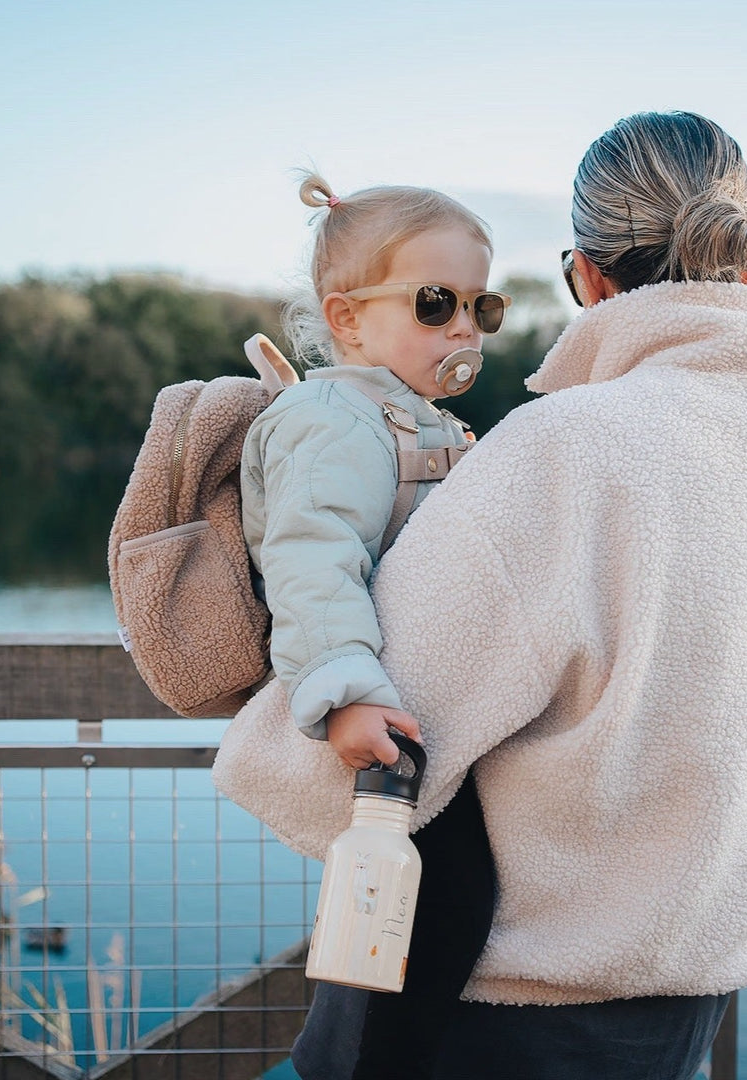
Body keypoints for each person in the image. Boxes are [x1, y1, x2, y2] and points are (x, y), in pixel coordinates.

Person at [216, 110, 747, 1080]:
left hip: (501, 1025)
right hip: (688, 1010)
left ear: (588, 278)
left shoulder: (563, 448)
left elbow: (363, 736)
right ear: (742, 264)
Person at [235, 176, 505, 1076]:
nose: (464, 327)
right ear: (346, 319)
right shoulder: (331, 419)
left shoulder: (413, 418)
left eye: (481, 305)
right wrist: (348, 695)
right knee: (431, 910)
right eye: (436, 304)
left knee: (448, 910)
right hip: (380, 717)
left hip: (427, 709)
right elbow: (312, 566)